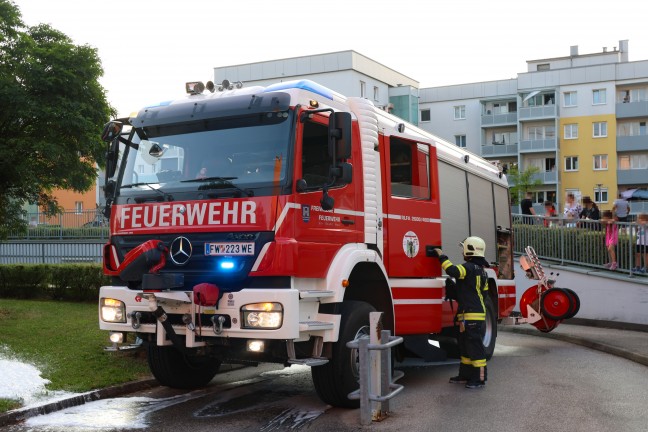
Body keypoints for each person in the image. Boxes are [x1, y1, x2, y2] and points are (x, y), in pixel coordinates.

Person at [430, 237, 489, 389]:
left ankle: (479, 378)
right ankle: (465, 375)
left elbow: (452, 270)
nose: (462, 252)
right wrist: (458, 292)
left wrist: (441, 255)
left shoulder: (468, 267)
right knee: (465, 346)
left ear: (469, 249)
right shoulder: (482, 271)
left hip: (471, 314)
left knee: (474, 347)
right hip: (470, 313)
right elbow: (483, 294)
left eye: (463, 249)